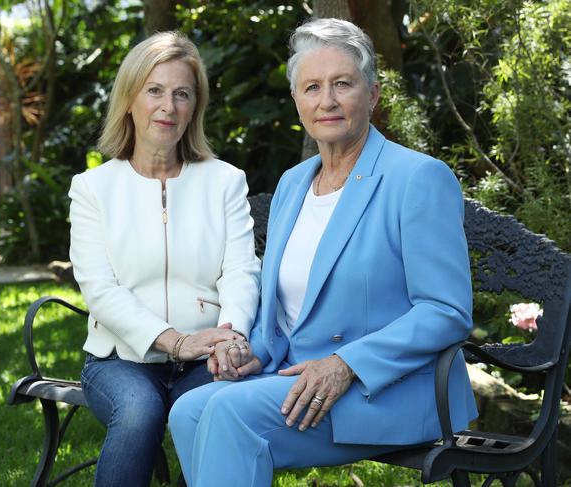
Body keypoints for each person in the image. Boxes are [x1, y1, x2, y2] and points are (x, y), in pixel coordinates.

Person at [168, 18, 478, 487]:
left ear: (371, 95)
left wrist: (346, 364)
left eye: (342, 84)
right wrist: (254, 351)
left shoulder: (417, 178)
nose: (327, 100)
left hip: (386, 389)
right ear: (297, 102)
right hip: (299, 382)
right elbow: (293, 308)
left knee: (231, 414)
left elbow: (446, 310)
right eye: (312, 87)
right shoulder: (294, 184)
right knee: (189, 408)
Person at [68, 31, 260, 487]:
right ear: (129, 99)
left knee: (217, 410)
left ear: (195, 106)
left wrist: (231, 338)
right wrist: (174, 341)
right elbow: (101, 291)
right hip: (119, 361)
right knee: (139, 413)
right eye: (154, 91)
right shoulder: (93, 190)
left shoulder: (225, 182)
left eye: (181, 94)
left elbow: (240, 270)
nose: (167, 107)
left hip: (207, 359)